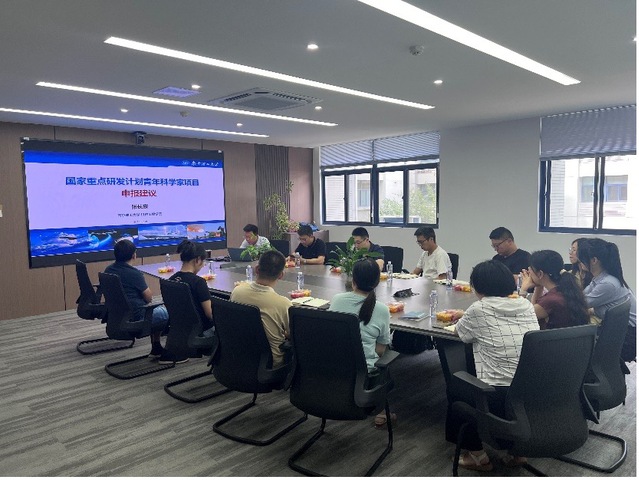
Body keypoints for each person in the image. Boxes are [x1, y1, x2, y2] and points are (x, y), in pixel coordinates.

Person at [449, 260, 539, 471]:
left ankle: (477, 456)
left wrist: (465, 316)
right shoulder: (525, 304)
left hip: (496, 397)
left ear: (478, 288)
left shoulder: (479, 308)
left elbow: (461, 333)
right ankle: (517, 452)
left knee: (457, 386)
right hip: (531, 392)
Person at [329, 258, 392, 428]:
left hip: (333, 368)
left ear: (353, 280)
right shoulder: (381, 309)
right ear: (377, 282)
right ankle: (380, 412)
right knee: (386, 362)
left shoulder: (337, 299)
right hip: (364, 376)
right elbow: (380, 350)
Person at [104, 239, 169, 357]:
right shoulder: (134, 274)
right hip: (137, 316)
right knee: (169, 312)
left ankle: (157, 347)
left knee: (156, 310)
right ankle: (166, 347)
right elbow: (149, 298)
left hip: (117, 317)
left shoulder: (108, 270)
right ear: (134, 255)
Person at [230, 250, 292, 367]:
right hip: (270, 362)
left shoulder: (237, 291)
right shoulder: (283, 304)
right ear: (281, 275)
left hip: (238, 354)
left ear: (257, 269)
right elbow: (294, 335)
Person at [160, 240, 215, 364]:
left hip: (180, 330)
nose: (202, 265)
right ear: (197, 260)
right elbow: (210, 314)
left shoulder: (171, 280)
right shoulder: (198, 282)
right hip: (201, 332)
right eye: (203, 262)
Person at [519, 250, 590, 330]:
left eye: (530, 270)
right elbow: (535, 308)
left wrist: (523, 289)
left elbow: (521, 315)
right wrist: (539, 286)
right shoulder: (565, 290)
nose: (529, 274)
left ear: (540, 273)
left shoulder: (550, 300)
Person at [577, 238, 636, 328]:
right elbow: (582, 297)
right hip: (618, 328)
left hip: (629, 331)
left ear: (594, 260)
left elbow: (580, 303)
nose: (580, 262)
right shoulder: (600, 278)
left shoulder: (608, 283)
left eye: (582, 259)